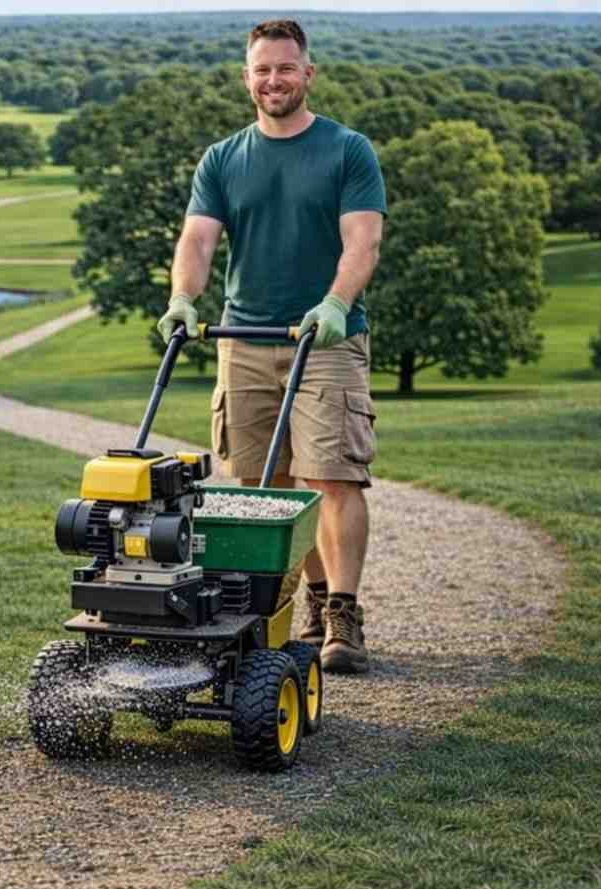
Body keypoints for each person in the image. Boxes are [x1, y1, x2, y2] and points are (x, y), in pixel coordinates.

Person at [157, 18, 386, 673]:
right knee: (268, 485)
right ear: (246, 77)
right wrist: (183, 298)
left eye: (286, 68)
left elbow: (363, 241)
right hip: (245, 339)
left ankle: (344, 614)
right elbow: (198, 239)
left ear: (308, 74)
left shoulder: (347, 150)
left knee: (332, 476)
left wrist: (336, 303)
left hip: (327, 339)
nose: (274, 80)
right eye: (262, 69)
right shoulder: (223, 159)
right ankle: (312, 596)